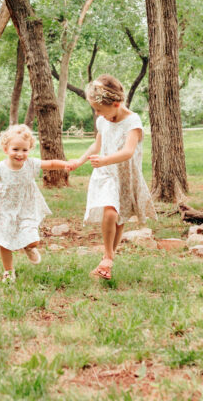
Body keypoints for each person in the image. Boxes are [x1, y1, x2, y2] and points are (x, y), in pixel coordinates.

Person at [68, 74, 156, 280]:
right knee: (109, 212)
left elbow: (128, 151)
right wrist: (79, 161)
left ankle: (107, 262)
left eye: (99, 110)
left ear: (116, 104)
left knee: (119, 218)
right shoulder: (103, 121)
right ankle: (107, 256)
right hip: (106, 175)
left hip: (124, 176)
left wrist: (105, 160)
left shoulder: (132, 121)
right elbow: (97, 145)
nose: (97, 114)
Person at [0, 124, 69, 283]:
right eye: (15, 149)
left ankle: (29, 247)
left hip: (27, 208)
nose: (20, 154)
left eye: (24, 150)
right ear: (6, 149)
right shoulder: (1, 168)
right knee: (4, 241)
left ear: (29, 149)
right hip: (6, 210)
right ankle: (8, 271)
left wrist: (65, 165)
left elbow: (50, 164)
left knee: (33, 239)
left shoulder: (31, 164)